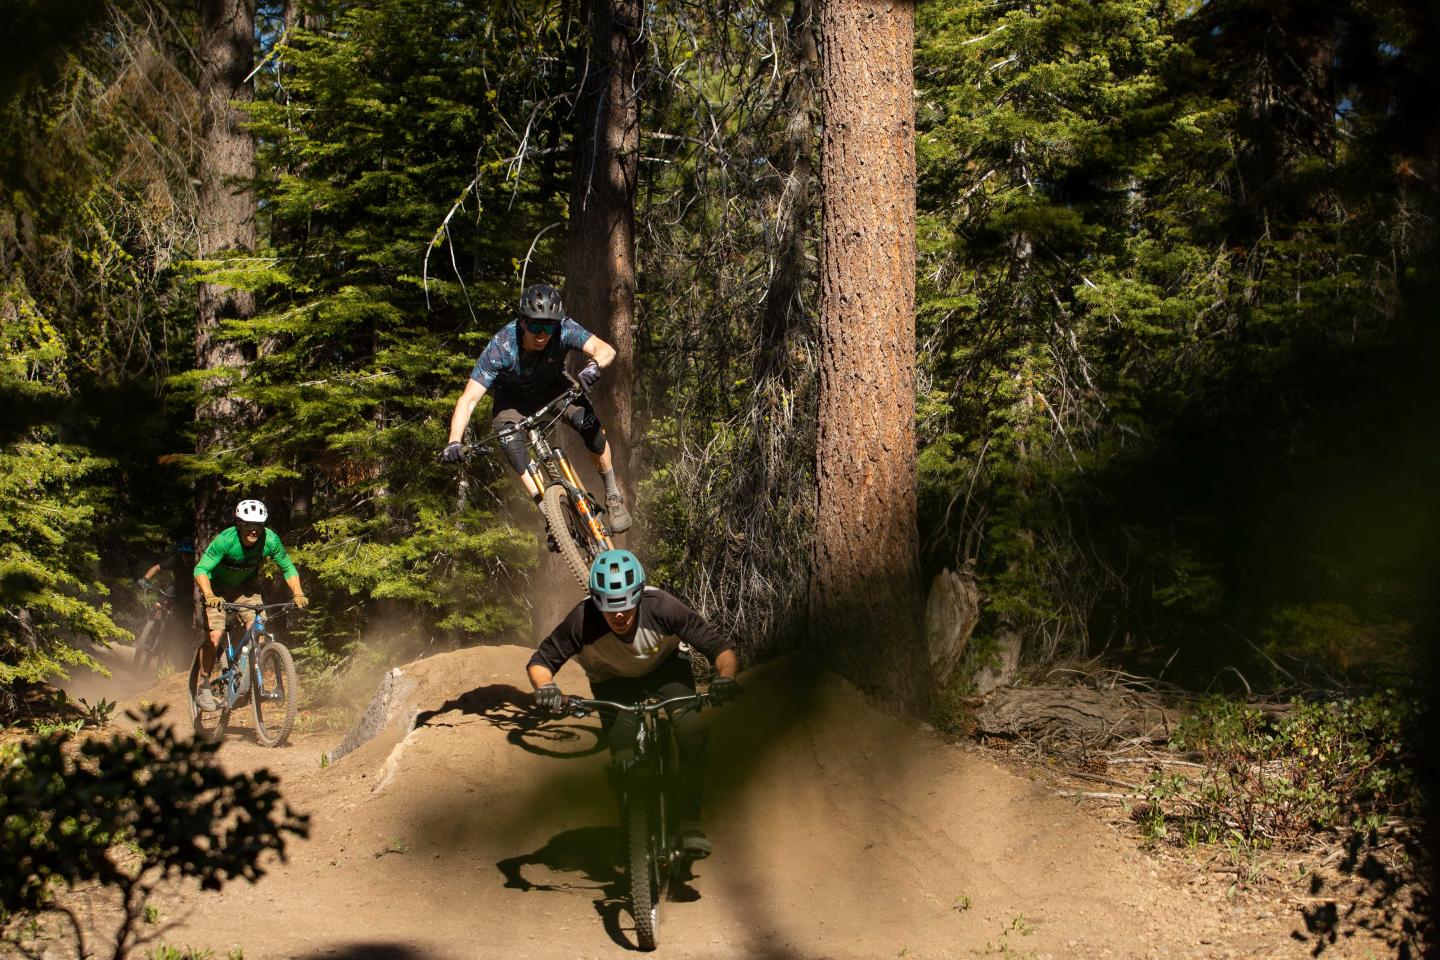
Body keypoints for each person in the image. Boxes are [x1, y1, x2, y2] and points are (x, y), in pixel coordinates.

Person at [526, 549, 739, 857]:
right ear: (597, 602)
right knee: (622, 758)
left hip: (666, 668)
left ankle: (691, 821)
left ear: (639, 595)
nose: (620, 616)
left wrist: (726, 679)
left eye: (626, 605)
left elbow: (720, 648)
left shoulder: (663, 607)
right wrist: (546, 687)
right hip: (612, 680)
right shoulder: (581, 620)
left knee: (691, 732)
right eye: (610, 609)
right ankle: (633, 823)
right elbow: (541, 661)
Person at [440, 282, 632, 533]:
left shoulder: (564, 329)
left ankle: (613, 495)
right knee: (514, 450)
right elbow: (468, 399)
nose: (542, 333)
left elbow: (605, 349)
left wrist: (594, 365)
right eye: (535, 325)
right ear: (522, 322)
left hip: (555, 388)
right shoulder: (501, 347)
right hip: (513, 401)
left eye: (548, 326)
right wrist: (454, 441)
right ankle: (551, 516)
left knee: (592, 428)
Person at [191, 499, 309, 711]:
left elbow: (288, 568)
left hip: (245, 588)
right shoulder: (225, 540)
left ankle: (248, 678)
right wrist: (208, 594)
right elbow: (200, 569)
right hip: (216, 589)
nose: (254, 530)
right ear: (239, 524)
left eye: (259, 526)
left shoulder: (270, 540)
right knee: (215, 635)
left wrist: (298, 592)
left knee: (259, 630)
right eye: (248, 525)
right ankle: (204, 684)